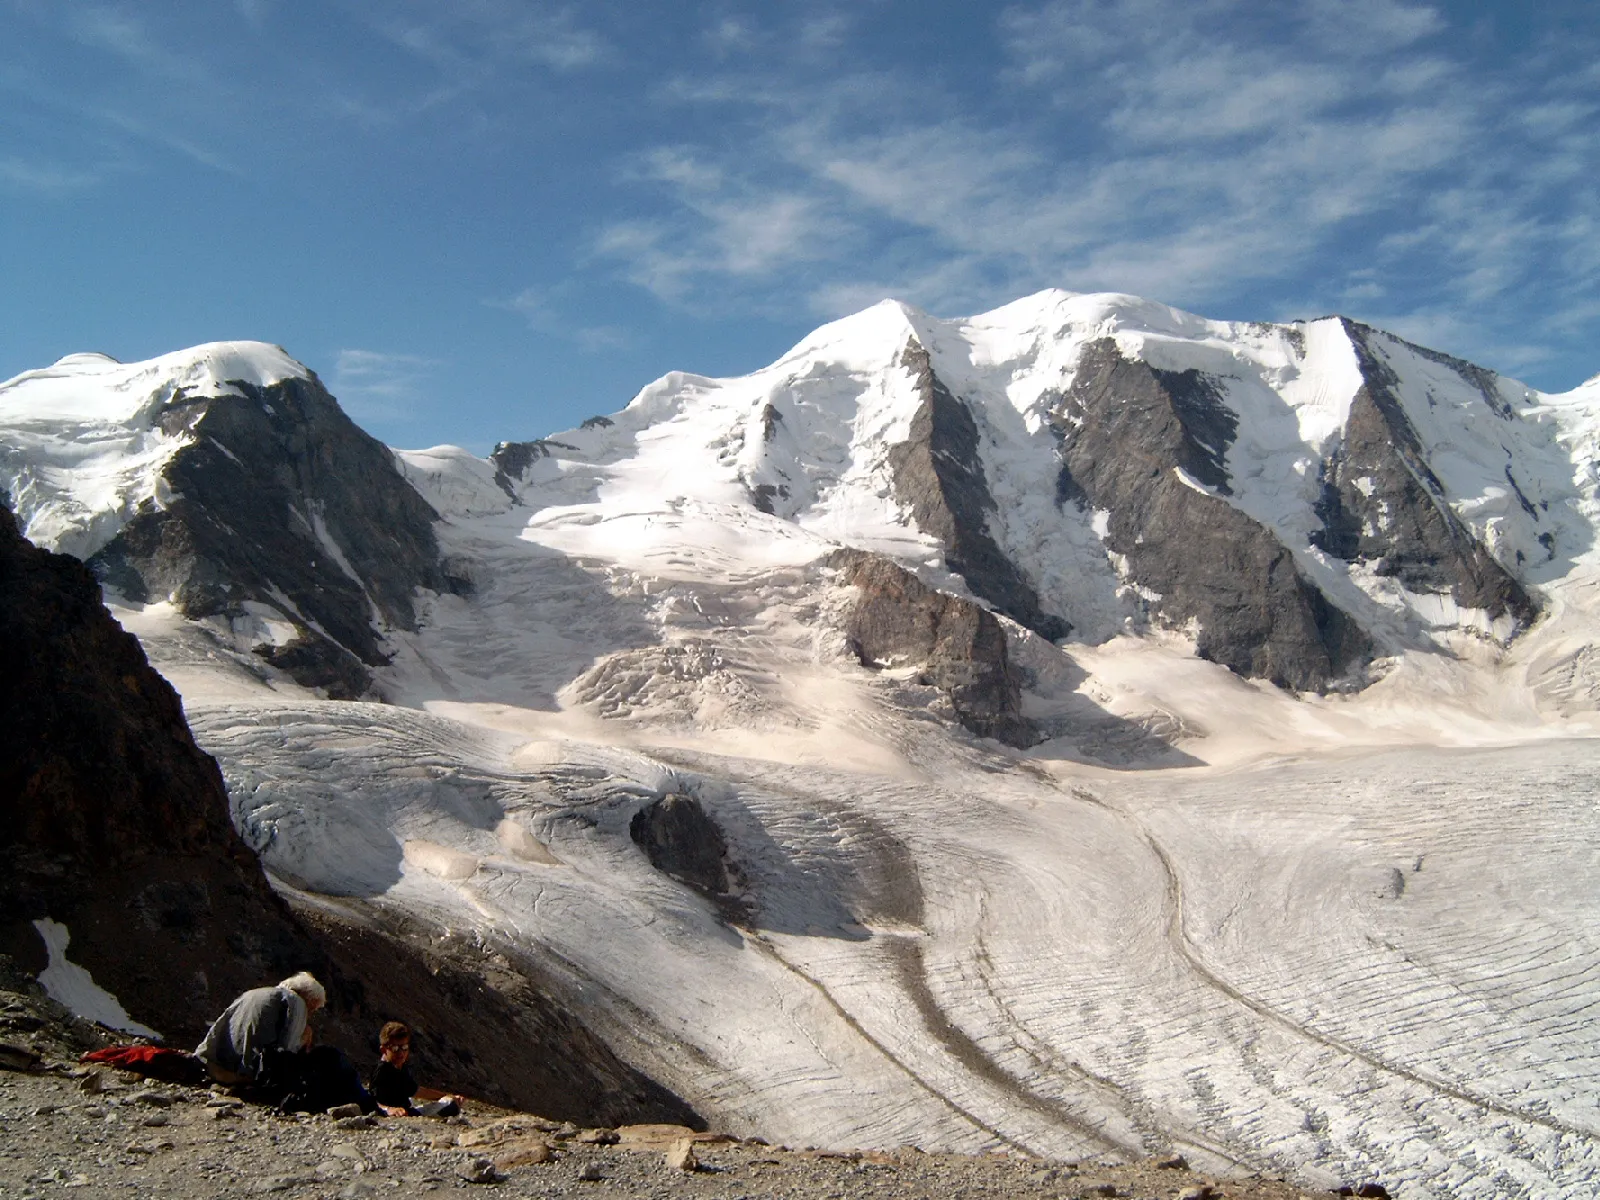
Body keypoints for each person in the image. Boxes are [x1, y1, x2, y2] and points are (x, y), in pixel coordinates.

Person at [194, 971, 325, 1085]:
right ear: (306, 996)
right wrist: (303, 1040)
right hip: (250, 1074)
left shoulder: (251, 994)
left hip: (216, 1065)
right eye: (311, 1008)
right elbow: (288, 1048)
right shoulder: (297, 1002)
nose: (309, 1014)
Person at [371, 1021, 460, 1117]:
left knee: (450, 1103)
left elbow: (414, 1090)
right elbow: (372, 1099)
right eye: (395, 1048)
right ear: (384, 1050)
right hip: (396, 1113)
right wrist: (388, 1109)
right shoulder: (381, 1071)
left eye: (404, 1047)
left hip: (407, 1109)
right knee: (449, 1106)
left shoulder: (400, 1067)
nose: (401, 1053)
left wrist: (446, 1096)